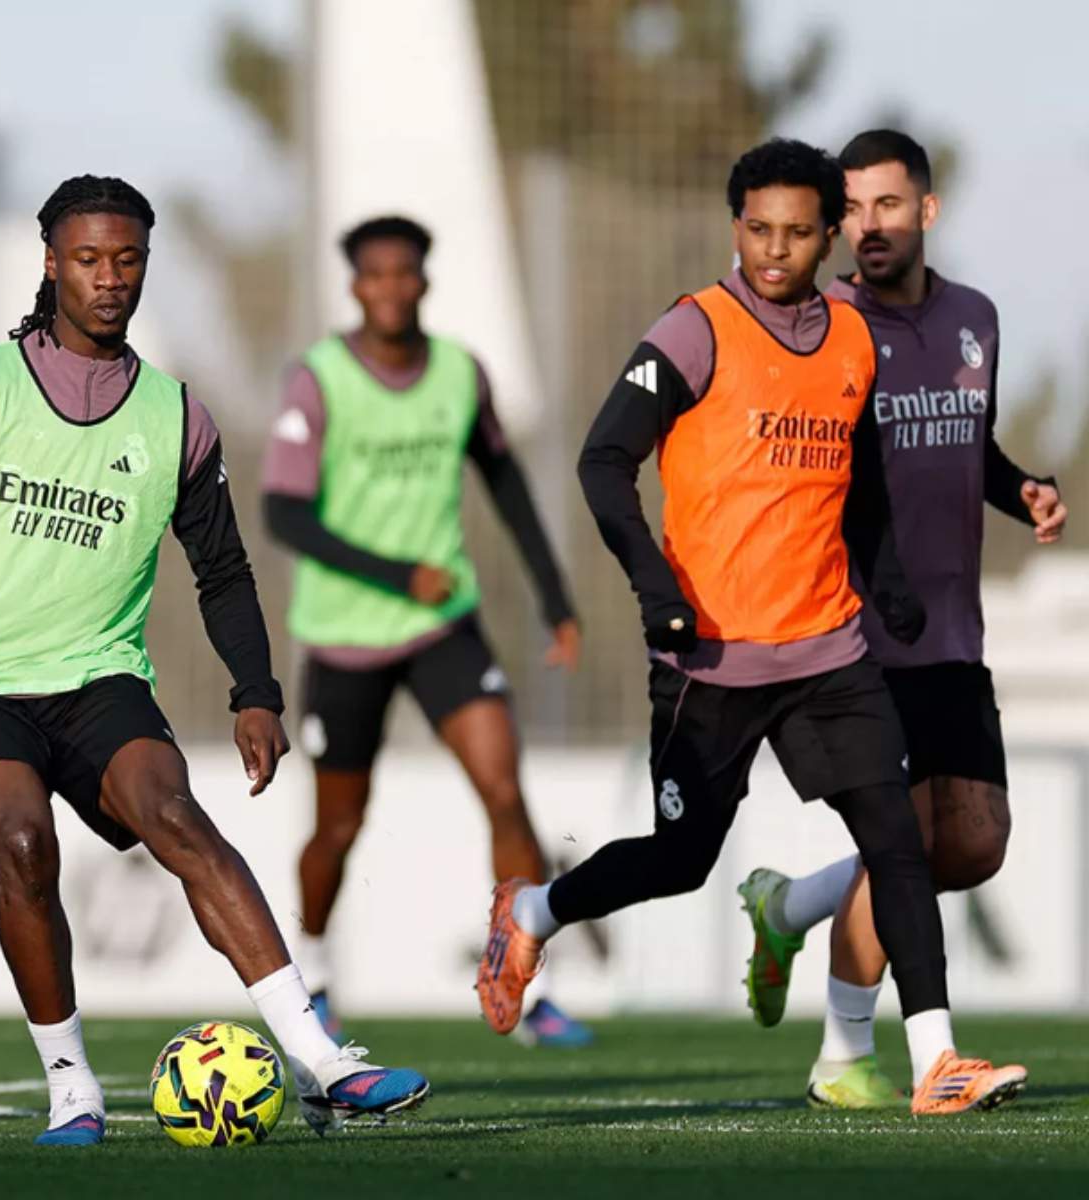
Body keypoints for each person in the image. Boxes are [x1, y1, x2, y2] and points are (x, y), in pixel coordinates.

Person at [0, 175, 430, 1145]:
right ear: (52, 264)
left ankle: (323, 1060)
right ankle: (72, 1088)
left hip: (100, 681)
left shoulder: (176, 416)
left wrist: (255, 693)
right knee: (22, 842)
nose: (108, 278)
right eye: (88, 259)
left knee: (177, 816)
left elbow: (222, 571)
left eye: (127, 260)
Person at [473, 137, 1026, 1114]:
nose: (775, 249)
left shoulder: (852, 339)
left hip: (828, 653)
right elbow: (602, 462)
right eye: (758, 229)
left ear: (827, 236)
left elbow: (860, 486)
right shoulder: (695, 331)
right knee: (679, 860)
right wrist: (653, 586)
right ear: (736, 227)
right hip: (709, 660)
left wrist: (888, 587)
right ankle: (533, 911)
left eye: (797, 233)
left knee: (896, 840)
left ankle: (935, 1061)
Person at [733, 130, 1066, 1107]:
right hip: (858, 633)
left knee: (971, 844)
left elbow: (968, 445)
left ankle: (788, 906)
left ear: (925, 210)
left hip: (953, 631)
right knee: (900, 840)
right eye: (852, 209)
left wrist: (1021, 489)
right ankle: (844, 1056)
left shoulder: (975, 318)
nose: (868, 225)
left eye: (887, 205)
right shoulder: (825, 325)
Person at [262, 215, 588, 1046]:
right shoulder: (319, 380)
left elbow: (506, 483)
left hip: (444, 626)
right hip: (343, 638)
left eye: (404, 272)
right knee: (339, 828)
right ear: (355, 285)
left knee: (505, 791)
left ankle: (527, 979)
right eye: (375, 274)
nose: (391, 287)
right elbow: (283, 513)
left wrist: (555, 599)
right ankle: (314, 973)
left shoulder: (458, 374)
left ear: (424, 281)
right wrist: (396, 573)